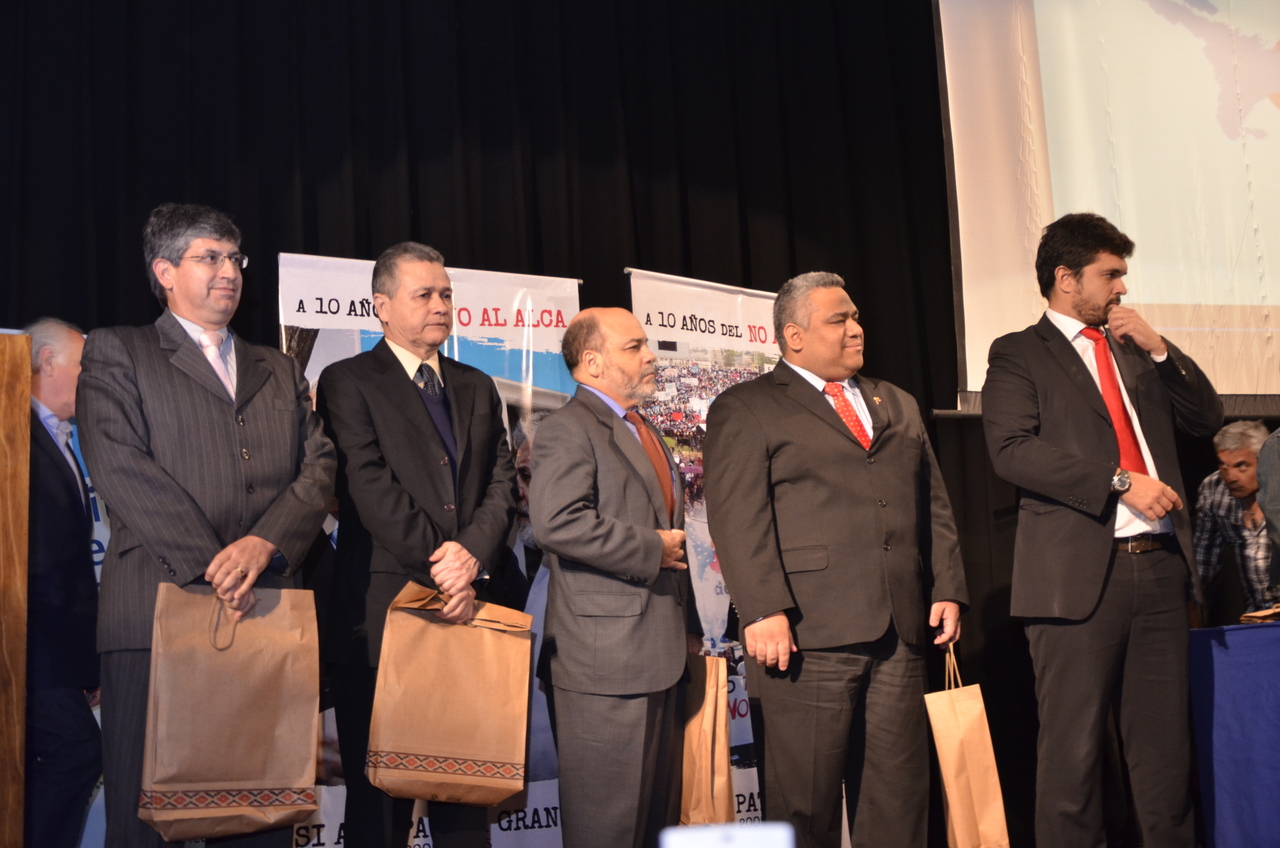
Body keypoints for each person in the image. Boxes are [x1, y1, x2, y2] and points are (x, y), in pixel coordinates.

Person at [77, 203, 336, 848]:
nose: (230, 271)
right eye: (210, 257)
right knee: (142, 822)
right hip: (155, 613)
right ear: (164, 271)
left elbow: (319, 466)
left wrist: (263, 545)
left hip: (266, 611)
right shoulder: (119, 350)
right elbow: (119, 464)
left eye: (235, 258)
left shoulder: (278, 367)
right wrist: (215, 564)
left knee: (260, 812)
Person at [981, 212, 1222, 848]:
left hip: (1159, 566)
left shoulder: (1133, 349)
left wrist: (1160, 348)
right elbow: (1011, 450)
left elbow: (1206, 417)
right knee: (1075, 756)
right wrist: (1118, 481)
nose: (1122, 287)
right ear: (1066, 278)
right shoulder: (1018, 352)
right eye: (1110, 275)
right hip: (1077, 579)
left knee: (1166, 754)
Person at [703, 272, 966, 848]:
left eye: (855, 317)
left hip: (900, 631)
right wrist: (763, 609)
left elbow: (933, 503)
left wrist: (947, 585)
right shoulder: (747, 407)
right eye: (838, 319)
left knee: (899, 802)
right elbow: (737, 516)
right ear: (794, 335)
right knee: (805, 805)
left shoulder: (895, 401)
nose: (856, 328)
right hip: (805, 635)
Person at [316, 241, 517, 847]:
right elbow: (366, 485)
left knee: (465, 799)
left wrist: (470, 558)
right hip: (383, 617)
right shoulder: (347, 380)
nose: (440, 305)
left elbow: (501, 483)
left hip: (469, 611)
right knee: (380, 809)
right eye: (424, 294)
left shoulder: (477, 384)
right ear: (381, 305)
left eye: (446, 294)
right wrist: (445, 566)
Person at [530, 307, 701, 848]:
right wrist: (650, 548)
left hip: (663, 658)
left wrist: (691, 625)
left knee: (653, 829)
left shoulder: (643, 428)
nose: (650, 357)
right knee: (606, 829)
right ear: (593, 362)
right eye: (634, 347)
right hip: (603, 666)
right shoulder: (567, 428)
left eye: (646, 345)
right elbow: (556, 522)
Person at [24, 318, 100, 848]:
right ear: (48, 362)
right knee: (76, 751)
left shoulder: (62, 437)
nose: (91, 380)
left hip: (57, 654)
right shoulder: (13, 433)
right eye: (83, 367)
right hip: (30, 649)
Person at [1195, 421, 1275, 614]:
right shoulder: (1214, 488)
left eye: (1242, 466)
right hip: (1257, 614)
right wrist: (1191, 611)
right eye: (1224, 465)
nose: (1231, 477)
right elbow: (1203, 561)